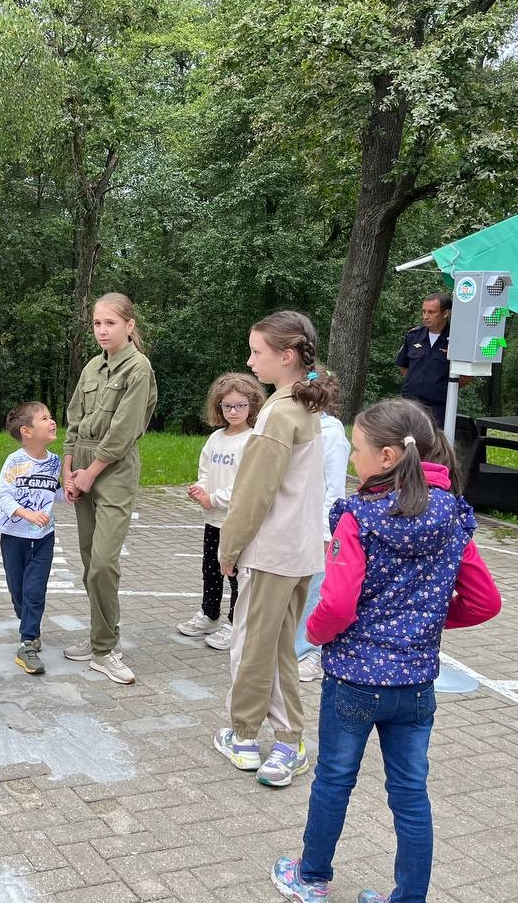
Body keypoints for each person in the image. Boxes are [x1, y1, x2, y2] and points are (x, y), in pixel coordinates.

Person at [271, 398, 501, 903]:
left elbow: (337, 603)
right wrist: (427, 623)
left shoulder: (359, 516)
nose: (353, 459)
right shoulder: (453, 515)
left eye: (357, 450)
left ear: (389, 457)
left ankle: (311, 878)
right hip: (416, 685)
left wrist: (314, 632)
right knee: (411, 795)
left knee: (334, 779)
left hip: (354, 679)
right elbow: (485, 602)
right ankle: (409, 897)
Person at [214, 310, 340, 787]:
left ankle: (252, 736)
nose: (250, 361)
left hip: (272, 552)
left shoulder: (278, 413)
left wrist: (230, 546)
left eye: (257, 352)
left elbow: (253, 494)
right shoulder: (307, 407)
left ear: (286, 356)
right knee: (278, 648)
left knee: (251, 646)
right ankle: (282, 739)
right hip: (301, 549)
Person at [62, 293, 157, 686]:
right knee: (88, 563)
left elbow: (122, 433)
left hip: (113, 468)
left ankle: (106, 648)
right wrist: (69, 472)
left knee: (104, 562)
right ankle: (98, 638)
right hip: (82, 464)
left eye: (111, 323)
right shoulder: (92, 368)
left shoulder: (138, 368)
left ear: (129, 325)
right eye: (98, 323)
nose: (102, 330)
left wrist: (90, 472)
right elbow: (72, 421)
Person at [178, 373, 266, 652]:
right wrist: (200, 491)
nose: (234, 411)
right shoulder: (216, 438)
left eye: (240, 405)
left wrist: (214, 498)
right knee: (211, 569)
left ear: (252, 406)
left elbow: (247, 483)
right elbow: (205, 472)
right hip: (213, 519)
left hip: (237, 521)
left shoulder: (253, 440)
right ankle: (209, 614)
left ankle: (235, 622)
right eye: (228, 406)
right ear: (219, 408)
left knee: (236, 573)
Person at [0, 401, 65, 675]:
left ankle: (27, 643)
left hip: (44, 537)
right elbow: (3, 496)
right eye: (45, 418)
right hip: (14, 536)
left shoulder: (54, 461)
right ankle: (28, 623)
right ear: (27, 431)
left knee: (35, 590)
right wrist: (27, 514)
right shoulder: (15, 462)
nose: (52, 421)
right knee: (18, 591)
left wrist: (68, 493)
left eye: (51, 416)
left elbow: (54, 493)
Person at [295, 411, 352, 682]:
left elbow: (335, 487)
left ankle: (311, 653)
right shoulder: (296, 425)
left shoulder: (331, 434)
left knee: (316, 588)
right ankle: (294, 647)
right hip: (295, 522)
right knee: (297, 588)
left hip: (320, 525)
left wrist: (328, 532)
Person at [395, 292, 454, 427]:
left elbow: (465, 377)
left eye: (431, 312)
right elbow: (404, 367)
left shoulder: (455, 340)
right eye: (424, 311)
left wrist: (438, 388)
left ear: (445, 313)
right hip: (411, 404)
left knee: (434, 443)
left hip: (439, 407)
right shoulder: (413, 336)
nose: (425, 316)